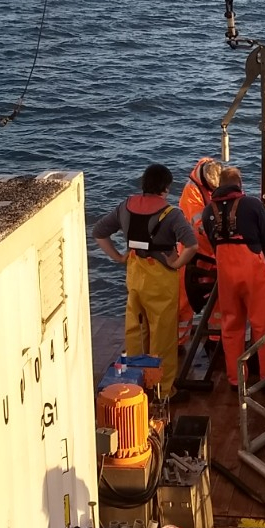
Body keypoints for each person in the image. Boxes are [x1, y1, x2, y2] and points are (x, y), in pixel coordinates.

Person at [92, 164, 197, 398]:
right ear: (166, 188)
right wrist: (177, 264)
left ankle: (135, 384)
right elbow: (192, 245)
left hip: (135, 273)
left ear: (144, 184)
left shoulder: (125, 206)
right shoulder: (171, 214)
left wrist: (118, 257)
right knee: (163, 335)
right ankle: (163, 390)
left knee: (136, 330)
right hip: (160, 278)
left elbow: (99, 232)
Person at [201, 166, 265, 389]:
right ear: (239, 184)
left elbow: (213, 243)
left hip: (226, 273)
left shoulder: (208, 211)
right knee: (263, 325)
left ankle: (236, 380)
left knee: (231, 326)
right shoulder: (252, 204)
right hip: (252, 270)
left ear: (219, 185)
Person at [178, 157, 221, 345]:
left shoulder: (216, 177)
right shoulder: (191, 192)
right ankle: (179, 342)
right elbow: (200, 225)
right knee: (184, 300)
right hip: (193, 253)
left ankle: (215, 338)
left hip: (213, 252)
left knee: (218, 299)